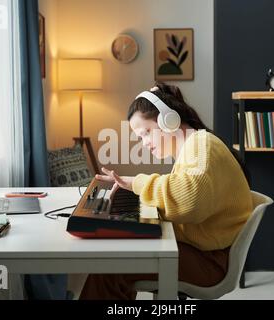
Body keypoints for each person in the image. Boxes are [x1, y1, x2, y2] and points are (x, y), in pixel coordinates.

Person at [79, 82, 253, 300]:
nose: (144, 143)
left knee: (111, 266)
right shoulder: (194, 145)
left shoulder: (202, 146)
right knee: (116, 253)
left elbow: (189, 200)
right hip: (200, 249)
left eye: (146, 133)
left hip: (209, 261)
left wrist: (136, 184)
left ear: (169, 121)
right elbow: (180, 188)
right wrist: (132, 193)